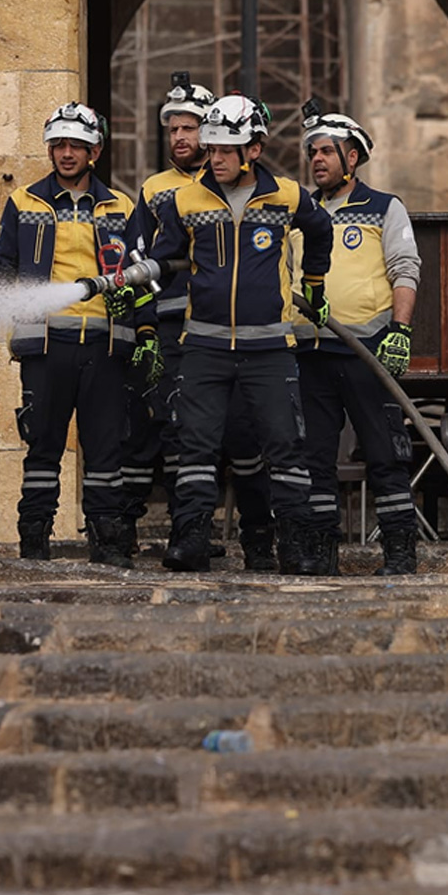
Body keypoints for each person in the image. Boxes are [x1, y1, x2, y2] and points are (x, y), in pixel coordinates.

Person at [0, 102, 159, 567]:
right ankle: (34, 542)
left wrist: (146, 331)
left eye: (77, 146)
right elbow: (1, 266)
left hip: (105, 346)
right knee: (43, 447)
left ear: (95, 151)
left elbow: (142, 275)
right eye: (59, 145)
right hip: (45, 345)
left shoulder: (120, 207)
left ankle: (108, 544)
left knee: (106, 450)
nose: (67, 153)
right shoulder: (24, 202)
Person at [146, 92, 333, 573]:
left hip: (270, 347)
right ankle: (190, 540)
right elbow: (165, 258)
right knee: (195, 446)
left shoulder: (287, 195)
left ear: (255, 149)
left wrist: (314, 283)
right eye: (212, 149)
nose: (216, 159)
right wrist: (140, 279)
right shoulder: (184, 200)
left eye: (227, 150)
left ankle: (295, 547)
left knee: (285, 447)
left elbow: (320, 231)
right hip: (204, 346)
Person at [123, 73, 276, 570]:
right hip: (176, 326)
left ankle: (259, 538)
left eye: (189, 128)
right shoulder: (155, 190)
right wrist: (146, 329)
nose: (180, 138)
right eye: (173, 130)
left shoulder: (240, 187)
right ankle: (189, 531)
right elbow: (140, 260)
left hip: (235, 328)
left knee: (245, 432)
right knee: (183, 430)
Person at [293, 102, 421, 576]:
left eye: (327, 151)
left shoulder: (385, 208)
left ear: (352, 158)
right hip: (310, 352)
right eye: (313, 152)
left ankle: (400, 552)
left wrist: (400, 331)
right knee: (314, 459)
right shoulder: (301, 213)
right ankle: (320, 552)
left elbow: (405, 269)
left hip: (366, 350)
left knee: (386, 454)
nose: (317, 159)